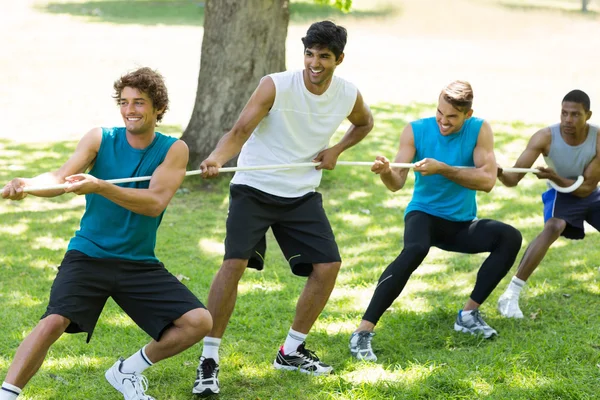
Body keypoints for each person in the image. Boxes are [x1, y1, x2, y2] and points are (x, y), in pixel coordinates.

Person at [0, 67, 212, 400]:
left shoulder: (174, 150)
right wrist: (26, 186)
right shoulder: (100, 139)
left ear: (158, 108)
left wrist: (100, 186)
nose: (130, 110)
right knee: (54, 320)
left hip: (137, 261)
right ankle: (7, 395)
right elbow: (60, 178)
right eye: (125, 102)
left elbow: (154, 203)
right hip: (89, 254)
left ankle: (127, 371)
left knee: (199, 322)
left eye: (140, 103)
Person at [192, 20, 373, 396]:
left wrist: (336, 149)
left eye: (324, 56)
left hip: (301, 192)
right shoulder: (275, 84)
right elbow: (240, 130)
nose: (315, 62)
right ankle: (209, 358)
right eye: (309, 53)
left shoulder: (347, 94)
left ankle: (291, 350)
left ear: (339, 59)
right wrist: (215, 157)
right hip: (255, 187)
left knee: (328, 266)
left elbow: (364, 123)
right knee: (233, 264)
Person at [348, 81, 523, 362]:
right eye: (440, 112)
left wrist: (443, 168)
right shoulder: (416, 130)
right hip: (424, 215)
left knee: (509, 237)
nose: (443, 120)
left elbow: (487, 180)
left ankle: (467, 315)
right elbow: (396, 183)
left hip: (461, 223)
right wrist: (385, 172)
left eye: (452, 117)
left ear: (468, 114)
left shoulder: (479, 129)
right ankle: (362, 332)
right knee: (415, 249)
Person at [496, 90, 599, 318]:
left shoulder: (598, 138)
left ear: (588, 115)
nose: (567, 120)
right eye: (564, 113)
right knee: (553, 227)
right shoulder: (545, 137)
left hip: (588, 191)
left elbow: (586, 187)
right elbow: (513, 179)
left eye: (575, 115)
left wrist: (554, 176)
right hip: (560, 194)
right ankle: (510, 296)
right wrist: (500, 172)